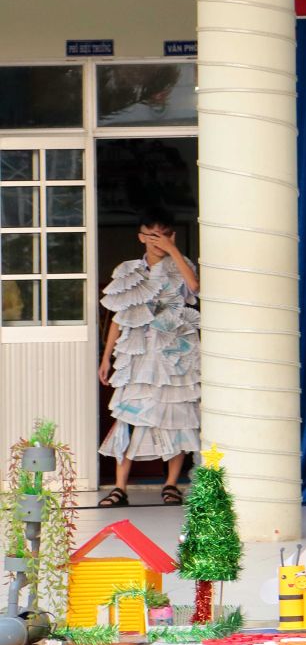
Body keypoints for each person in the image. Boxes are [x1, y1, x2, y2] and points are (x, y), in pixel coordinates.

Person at [96, 207, 201, 506]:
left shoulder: (182, 265)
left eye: (164, 235)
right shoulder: (127, 271)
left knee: (177, 415)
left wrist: (174, 251)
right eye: (153, 235)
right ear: (141, 237)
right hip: (137, 354)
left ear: (172, 236)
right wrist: (106, 358)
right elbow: (119, 316)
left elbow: (195, 288)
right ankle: (120, 487)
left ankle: (171, 484)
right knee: (129, 415)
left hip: (174, 353)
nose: (158, 241)